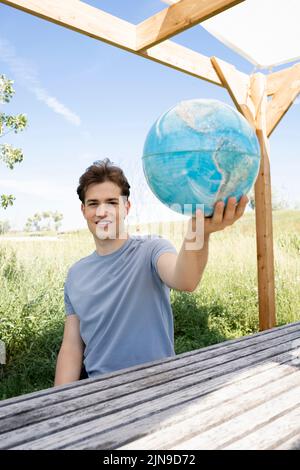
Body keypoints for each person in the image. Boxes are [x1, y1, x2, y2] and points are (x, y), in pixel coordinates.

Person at [54, 158, 248, 385]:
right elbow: (71, 347)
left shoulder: (151, 249)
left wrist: (199, 232)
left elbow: (185, 279)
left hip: (158, 384)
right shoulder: (76, 274)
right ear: (84, 210)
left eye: (112, 203)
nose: (102, 211)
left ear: (126, 207)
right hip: (100, 390)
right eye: (94, 203)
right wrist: (57, 400)